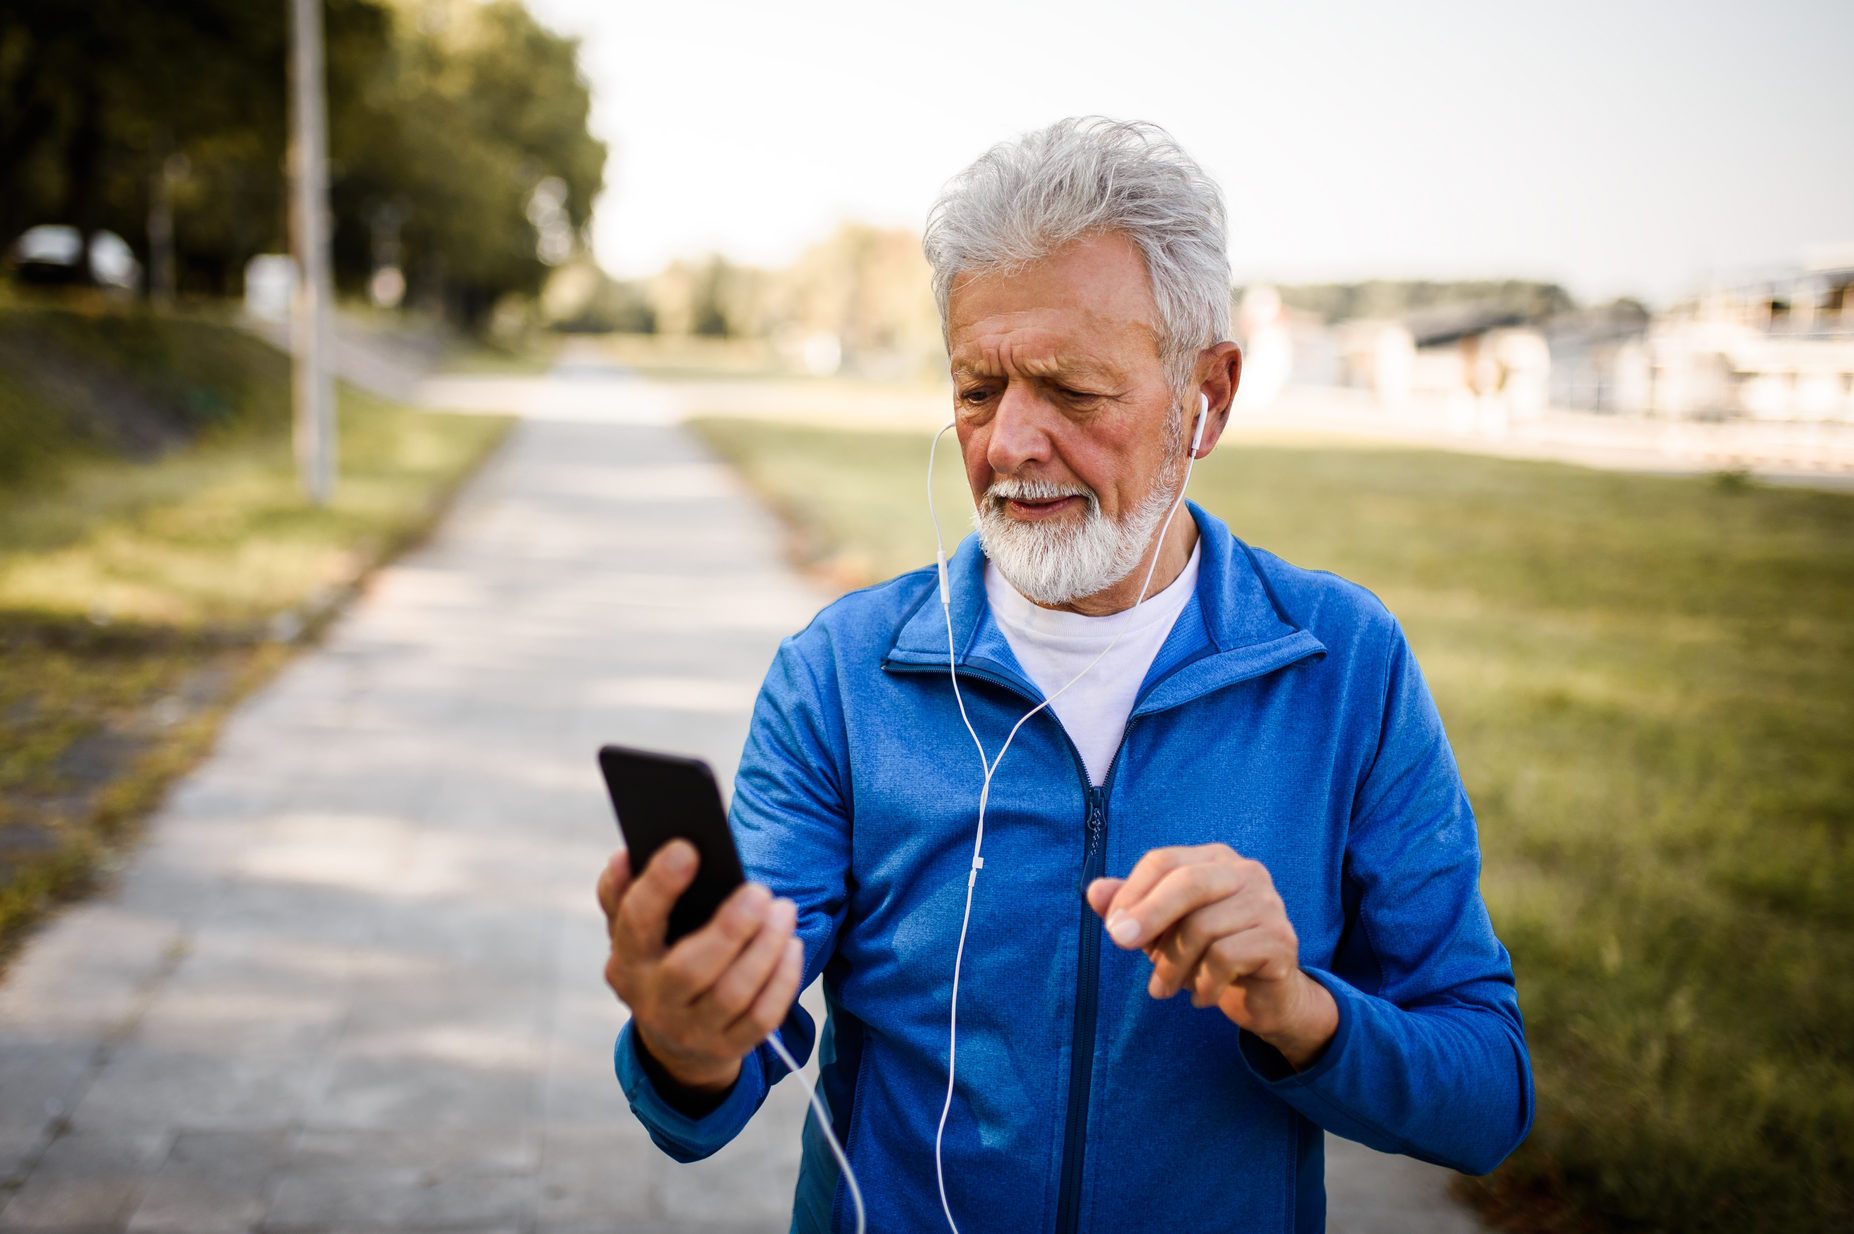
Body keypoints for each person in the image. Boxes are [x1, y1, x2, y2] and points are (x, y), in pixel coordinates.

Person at [596, 116, 1533, 1234]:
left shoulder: (1346, 666)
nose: (1013, 443)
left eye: (1074, 390)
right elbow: (702, 1092)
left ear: (1209, 399)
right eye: (979, 386)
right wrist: (683, 1041)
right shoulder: (839, 679)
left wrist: (1300, 1011)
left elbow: (1489, 1100)